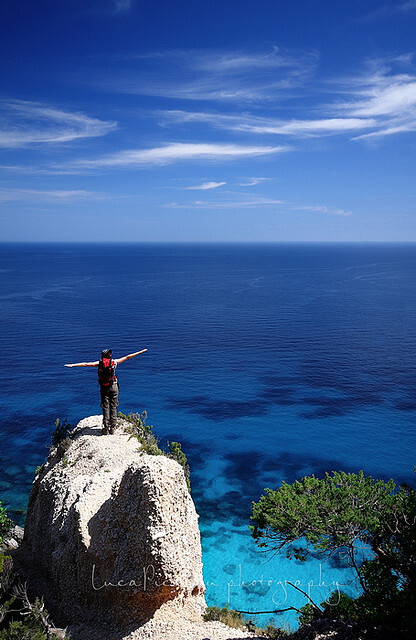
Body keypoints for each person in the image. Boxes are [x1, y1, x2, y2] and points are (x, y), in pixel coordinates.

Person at [65, 348, 147, 434]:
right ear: (109, 355)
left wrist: (73, 365)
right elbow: (127, 357)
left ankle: (105, 428)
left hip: (104, 387)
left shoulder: (99, 363)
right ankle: (113, 427)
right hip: (114, 386)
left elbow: (85, 364)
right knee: (113, 406)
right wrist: (141, 352)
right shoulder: (114, 362)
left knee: (105, 406)